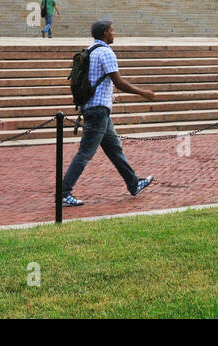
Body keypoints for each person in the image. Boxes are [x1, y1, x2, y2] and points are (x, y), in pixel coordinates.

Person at [60, 19, 156, 207]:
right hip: (98, 111)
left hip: (94, 108)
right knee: (85, 153)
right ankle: (64, 193)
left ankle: (133, 183)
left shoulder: (90, 50)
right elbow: (119, 83)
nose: (114, 34)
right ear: (105, 33)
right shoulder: (106, 52)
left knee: (114, 149)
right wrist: (143, 93)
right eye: (112, 31)